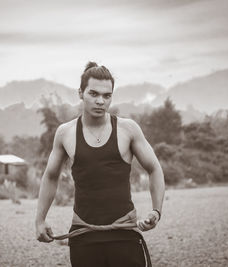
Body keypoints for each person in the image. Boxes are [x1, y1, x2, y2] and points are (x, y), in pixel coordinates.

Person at [35, 61, 165, 267]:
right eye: (93, 94)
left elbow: (154, 168)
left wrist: (156, 211)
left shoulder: (128, 129)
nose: (100, 101)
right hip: (83, 235)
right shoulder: (65, 133)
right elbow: (51, 176)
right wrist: (40, 220)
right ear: (80, 93)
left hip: (124, 234)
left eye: (107, 96)